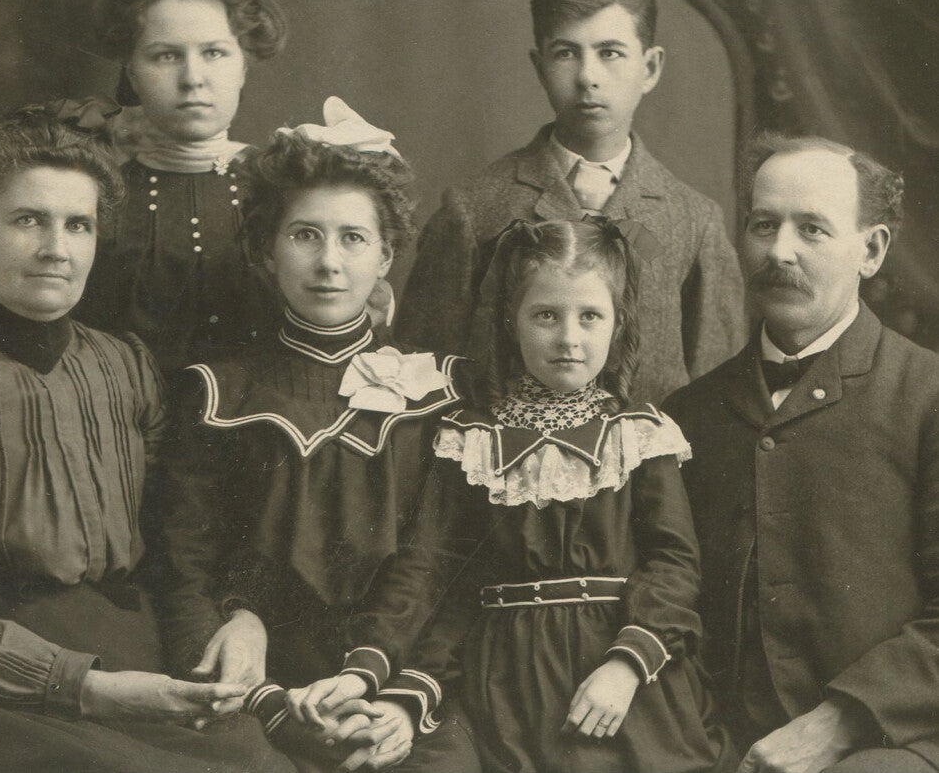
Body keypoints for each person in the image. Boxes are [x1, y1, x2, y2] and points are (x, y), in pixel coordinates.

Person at [0, 106, 294, 772]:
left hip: (141, 660)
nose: (57, 248)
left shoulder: (126, 365)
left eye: (79, 224)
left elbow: (178, 544)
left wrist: (242, 617)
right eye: (28, 220)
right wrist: (89, 687)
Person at [157, 99, 481, 772]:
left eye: (353, 238)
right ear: (265, 248)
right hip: (258, 696)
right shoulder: (217, 391)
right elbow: (183, 569)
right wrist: (269, 703)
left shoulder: (435, 391)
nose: (329, 262)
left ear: (387, 253)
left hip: (401, 690)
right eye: (305, 234)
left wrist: (398, 700)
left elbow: (445, 571)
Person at [665, 134, 939, 773]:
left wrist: (841, 724)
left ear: (870, 250)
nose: (779, 251)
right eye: (764, 225)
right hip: (715, 743)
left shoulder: (927, 398)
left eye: (812, 229)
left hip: (888, 741)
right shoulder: (687, 415)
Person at [420, 219, 734, 772]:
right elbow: (446, 573)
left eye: (591, 316)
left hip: (620, 668)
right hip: (507, 678)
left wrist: (627, 664)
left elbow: (674, 561)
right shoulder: (471, 440)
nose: (569, 338)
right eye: (546, 315)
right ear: (510, 322)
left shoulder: (637, 434)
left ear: (617, 324)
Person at [396, 0, 744, 403]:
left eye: (610, 52)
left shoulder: (693, 221)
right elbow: (424, 371)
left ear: (650, 68)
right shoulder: (475, 209)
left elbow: (718, 387)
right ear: (540, 67)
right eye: (566, 53)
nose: (588, 77)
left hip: (650, 467)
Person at [74, 0, 288, 373]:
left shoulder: (287, 189)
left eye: (214, 52)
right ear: (132, 71)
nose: (193, 78)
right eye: (167, 55)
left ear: (243, 64)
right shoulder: (93, 196)